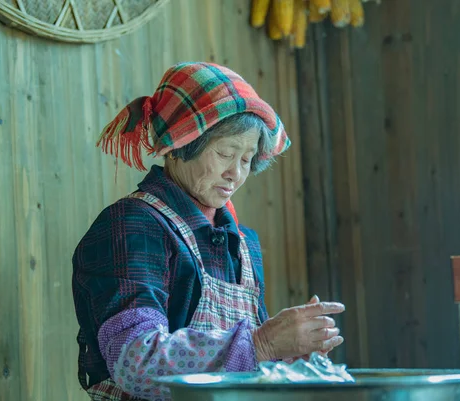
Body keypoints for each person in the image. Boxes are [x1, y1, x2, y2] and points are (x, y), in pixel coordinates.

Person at [72, 62, 345, 401]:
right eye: (225, 153)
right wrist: (262, 343)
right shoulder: (133, 225)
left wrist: (288, 356)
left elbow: (247, 367)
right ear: (180, 145)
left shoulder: (242, 243)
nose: (236, 174)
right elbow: (135, 360)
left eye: (246, 160)